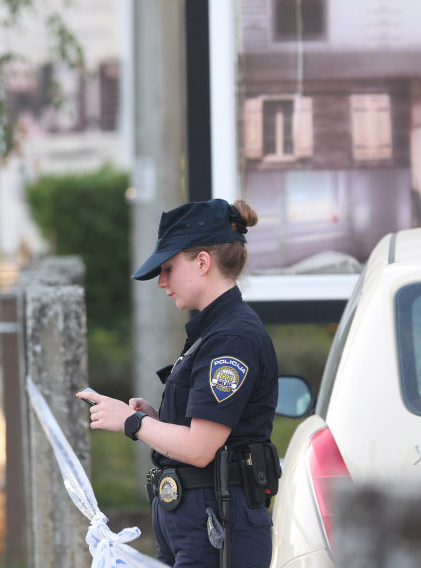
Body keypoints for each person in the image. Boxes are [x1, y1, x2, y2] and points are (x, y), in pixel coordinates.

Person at [77, 198, 279, 568]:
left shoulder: (232, 339)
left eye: (168, 268)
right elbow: (209, 433)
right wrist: (156, 418)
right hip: (200, 523)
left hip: (218, 525)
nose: (161, 282)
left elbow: (201, 448)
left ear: (202, 263)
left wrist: (133, 423)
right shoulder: (214, 331)